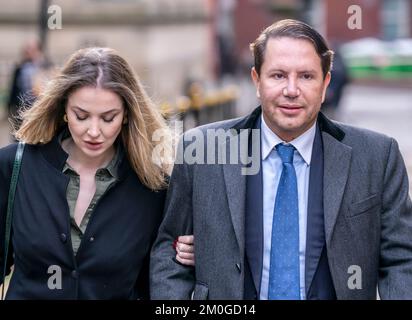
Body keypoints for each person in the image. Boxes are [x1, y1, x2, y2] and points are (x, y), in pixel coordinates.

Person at [150, 19, 412, 300]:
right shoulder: (201, 149)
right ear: (256, 81)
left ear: (325, 84)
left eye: (306, 76)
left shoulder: (376, 156)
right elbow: (170, 252)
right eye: (278, 75)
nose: (291, 90)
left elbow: (401, 259)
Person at [0, 47, 192, 299]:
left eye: (108, 118)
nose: (93, 131)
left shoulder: (154, 186)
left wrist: (193, 252)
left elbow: (163, 278)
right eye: (81, 116)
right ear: (64, 110)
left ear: (126, 115)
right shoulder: (14, 165)